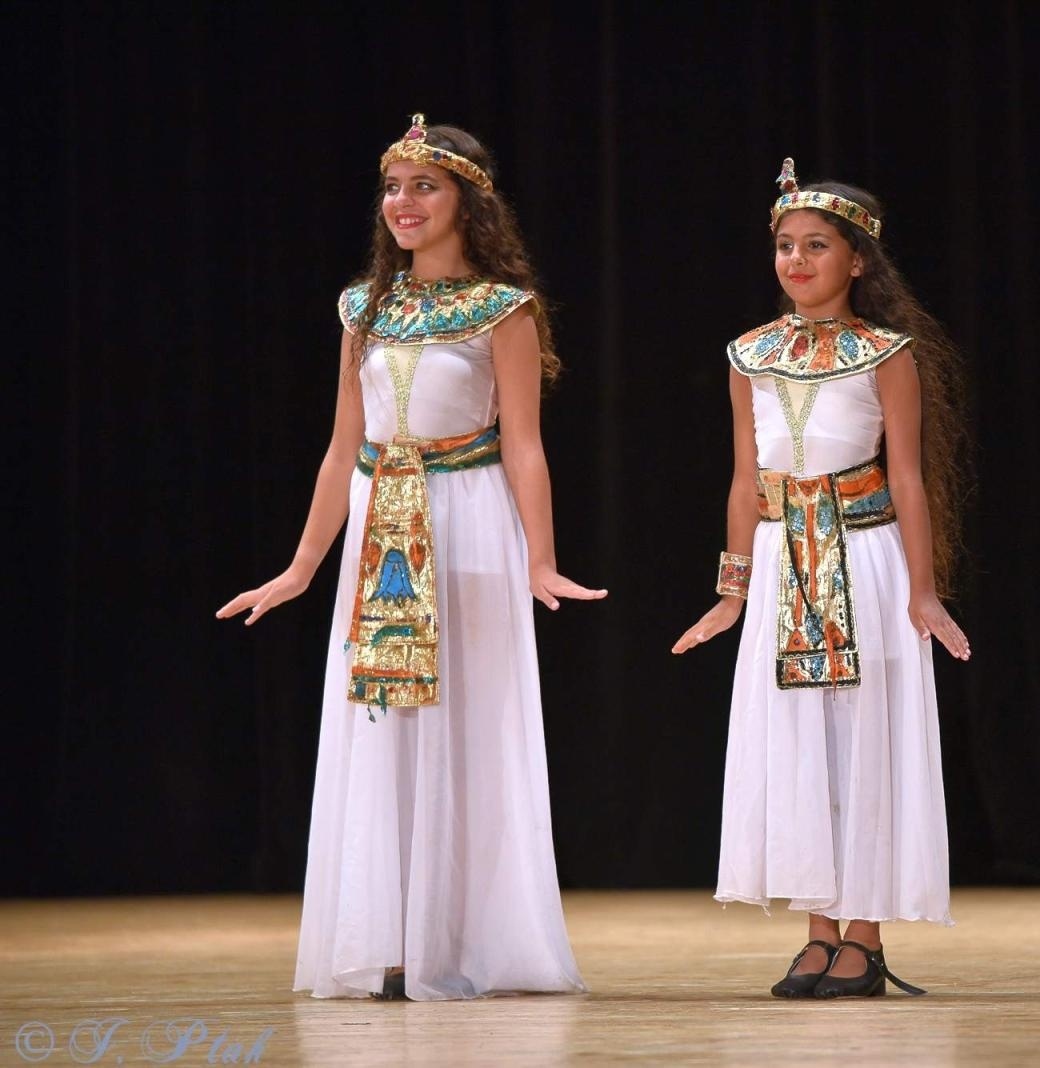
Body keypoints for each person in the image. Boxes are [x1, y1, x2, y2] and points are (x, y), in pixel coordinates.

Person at [218, 114, 603, 1000]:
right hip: (377, 523)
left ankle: (453, 940)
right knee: (381, 724)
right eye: (393, 188)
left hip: (463, 519)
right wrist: (303, 566)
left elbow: (524, 445)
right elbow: (342, 444)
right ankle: (388, 936)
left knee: (459, 724)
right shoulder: (363, 307)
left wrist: (540, 560)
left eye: (423, 186)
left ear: (469, 201)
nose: (403, 203)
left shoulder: (501, 307)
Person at [673, 159, 971, 999]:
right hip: (781, 559)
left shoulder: (885, 353)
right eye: (784, 246)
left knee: (862, 735)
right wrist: (732, 591)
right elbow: (744, 479)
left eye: (816, 246)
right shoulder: (751, 352)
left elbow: (908, 476)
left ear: (858, 260)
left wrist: (923, 590)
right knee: (797, 740)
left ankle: (864, 935)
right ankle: (817, 930)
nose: (796, 261)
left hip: (863, 552)